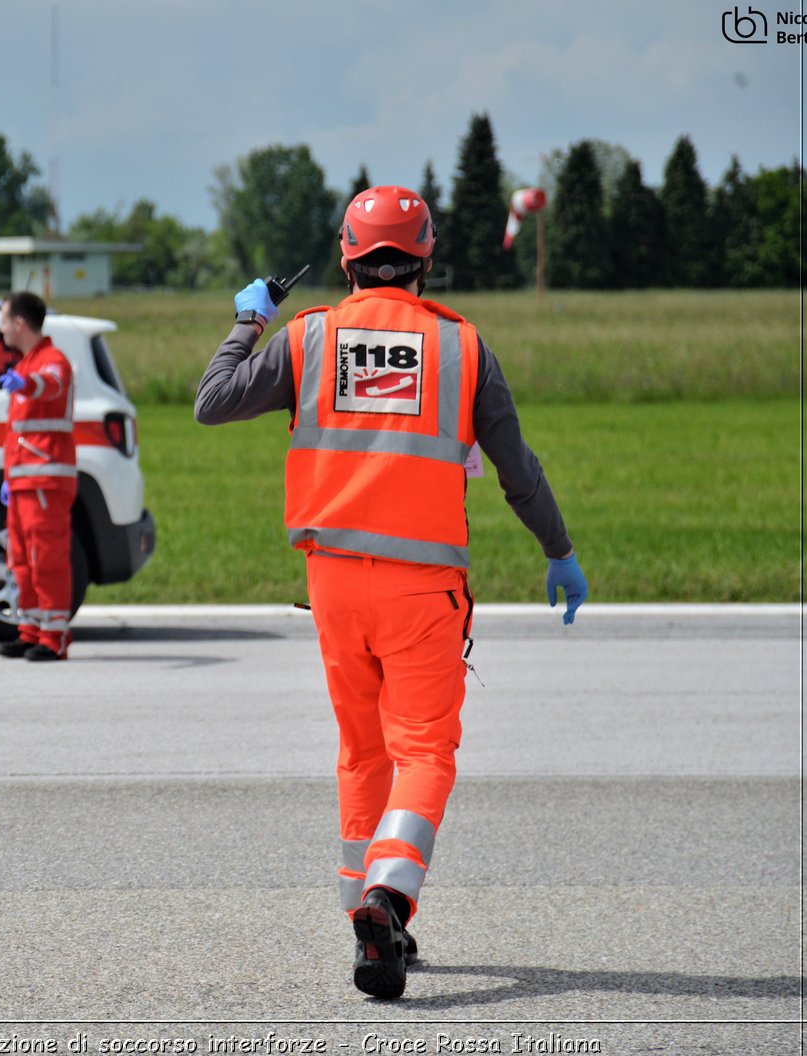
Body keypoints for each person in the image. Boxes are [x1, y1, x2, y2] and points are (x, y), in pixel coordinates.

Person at [194, 186, 588, 999]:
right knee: (425, 753)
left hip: (333, 584)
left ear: (345, 256)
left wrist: (248, 321)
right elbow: (517, 471)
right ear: (427, 256)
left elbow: (211, 402)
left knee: (362, 753)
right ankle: (389, 896)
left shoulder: (310, 337)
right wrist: (560, 550)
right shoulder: (462, 346)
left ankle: (370, 934)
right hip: (421, 591)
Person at [0, 291, 76, 661]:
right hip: (24, 480)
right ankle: (30, 631)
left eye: (2, 320)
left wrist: (26, 385)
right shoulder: (27, 363)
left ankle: (54, 637)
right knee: (21, 560)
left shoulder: (50, 360)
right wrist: (8, 480)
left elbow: (53, 383)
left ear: (19, 323)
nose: (0, 329)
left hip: (46, 477)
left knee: (47, 558)